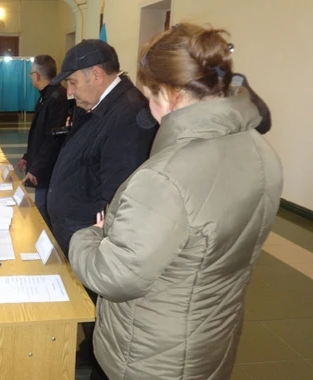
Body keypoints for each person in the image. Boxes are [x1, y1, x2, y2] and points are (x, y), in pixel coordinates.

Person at [68, 23, 282, 380]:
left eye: (150, 98)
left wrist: (87, 236)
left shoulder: (164, 178)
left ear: (168, 94)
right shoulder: (261, 152)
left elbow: (115, 276)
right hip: (211, 341)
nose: (150, 111)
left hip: (149, 356)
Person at [46, 39, 158, 378]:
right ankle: (90, 348)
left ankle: (100, 363)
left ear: (96, 74)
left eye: (73, 82)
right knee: (88, 308)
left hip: (95, 241)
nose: (69, 92)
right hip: (78, 232)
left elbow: (119, 195)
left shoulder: (127, 114)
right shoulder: (100, 106)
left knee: (101, 314)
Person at [15, 55, 68, 227]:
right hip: (41, 165)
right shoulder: (45, 96)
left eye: (31, 73)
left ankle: (50, 248)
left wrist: (36, 167)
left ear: (37, 75)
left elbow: (53, 139)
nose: (31, 77)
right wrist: (27, 157)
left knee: (44, 210)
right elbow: (38, 134)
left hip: (48, 169)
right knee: (40, 207)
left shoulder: (57, 97)